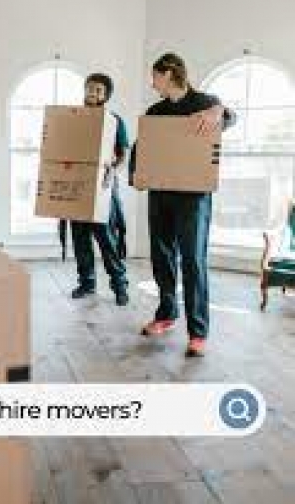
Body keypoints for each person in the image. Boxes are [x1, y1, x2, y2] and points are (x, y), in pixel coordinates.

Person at [129, 53, 237, 357]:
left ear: (169, 74)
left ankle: (198, 332)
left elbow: (231, 117)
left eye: (155, 77)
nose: (152, 83)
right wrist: (136, 173)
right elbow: (141, 146)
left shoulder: (206, 103)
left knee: (192, 261)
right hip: (161, 194)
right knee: (162, 257)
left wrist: (220, 112)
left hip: (193, 198)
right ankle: (166, 314)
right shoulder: (156, 111)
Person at [69, 73, 130, 306]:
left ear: (106, 96)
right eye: (90, 88)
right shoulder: (73, 118)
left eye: (98, 90)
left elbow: (123, 154)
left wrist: (112, 172)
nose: (92, 93)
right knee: (80, 238)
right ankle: (87, 283)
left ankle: (120, 285)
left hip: (103, 186)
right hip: (77, 185)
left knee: (107, 238)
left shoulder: (114, 121)